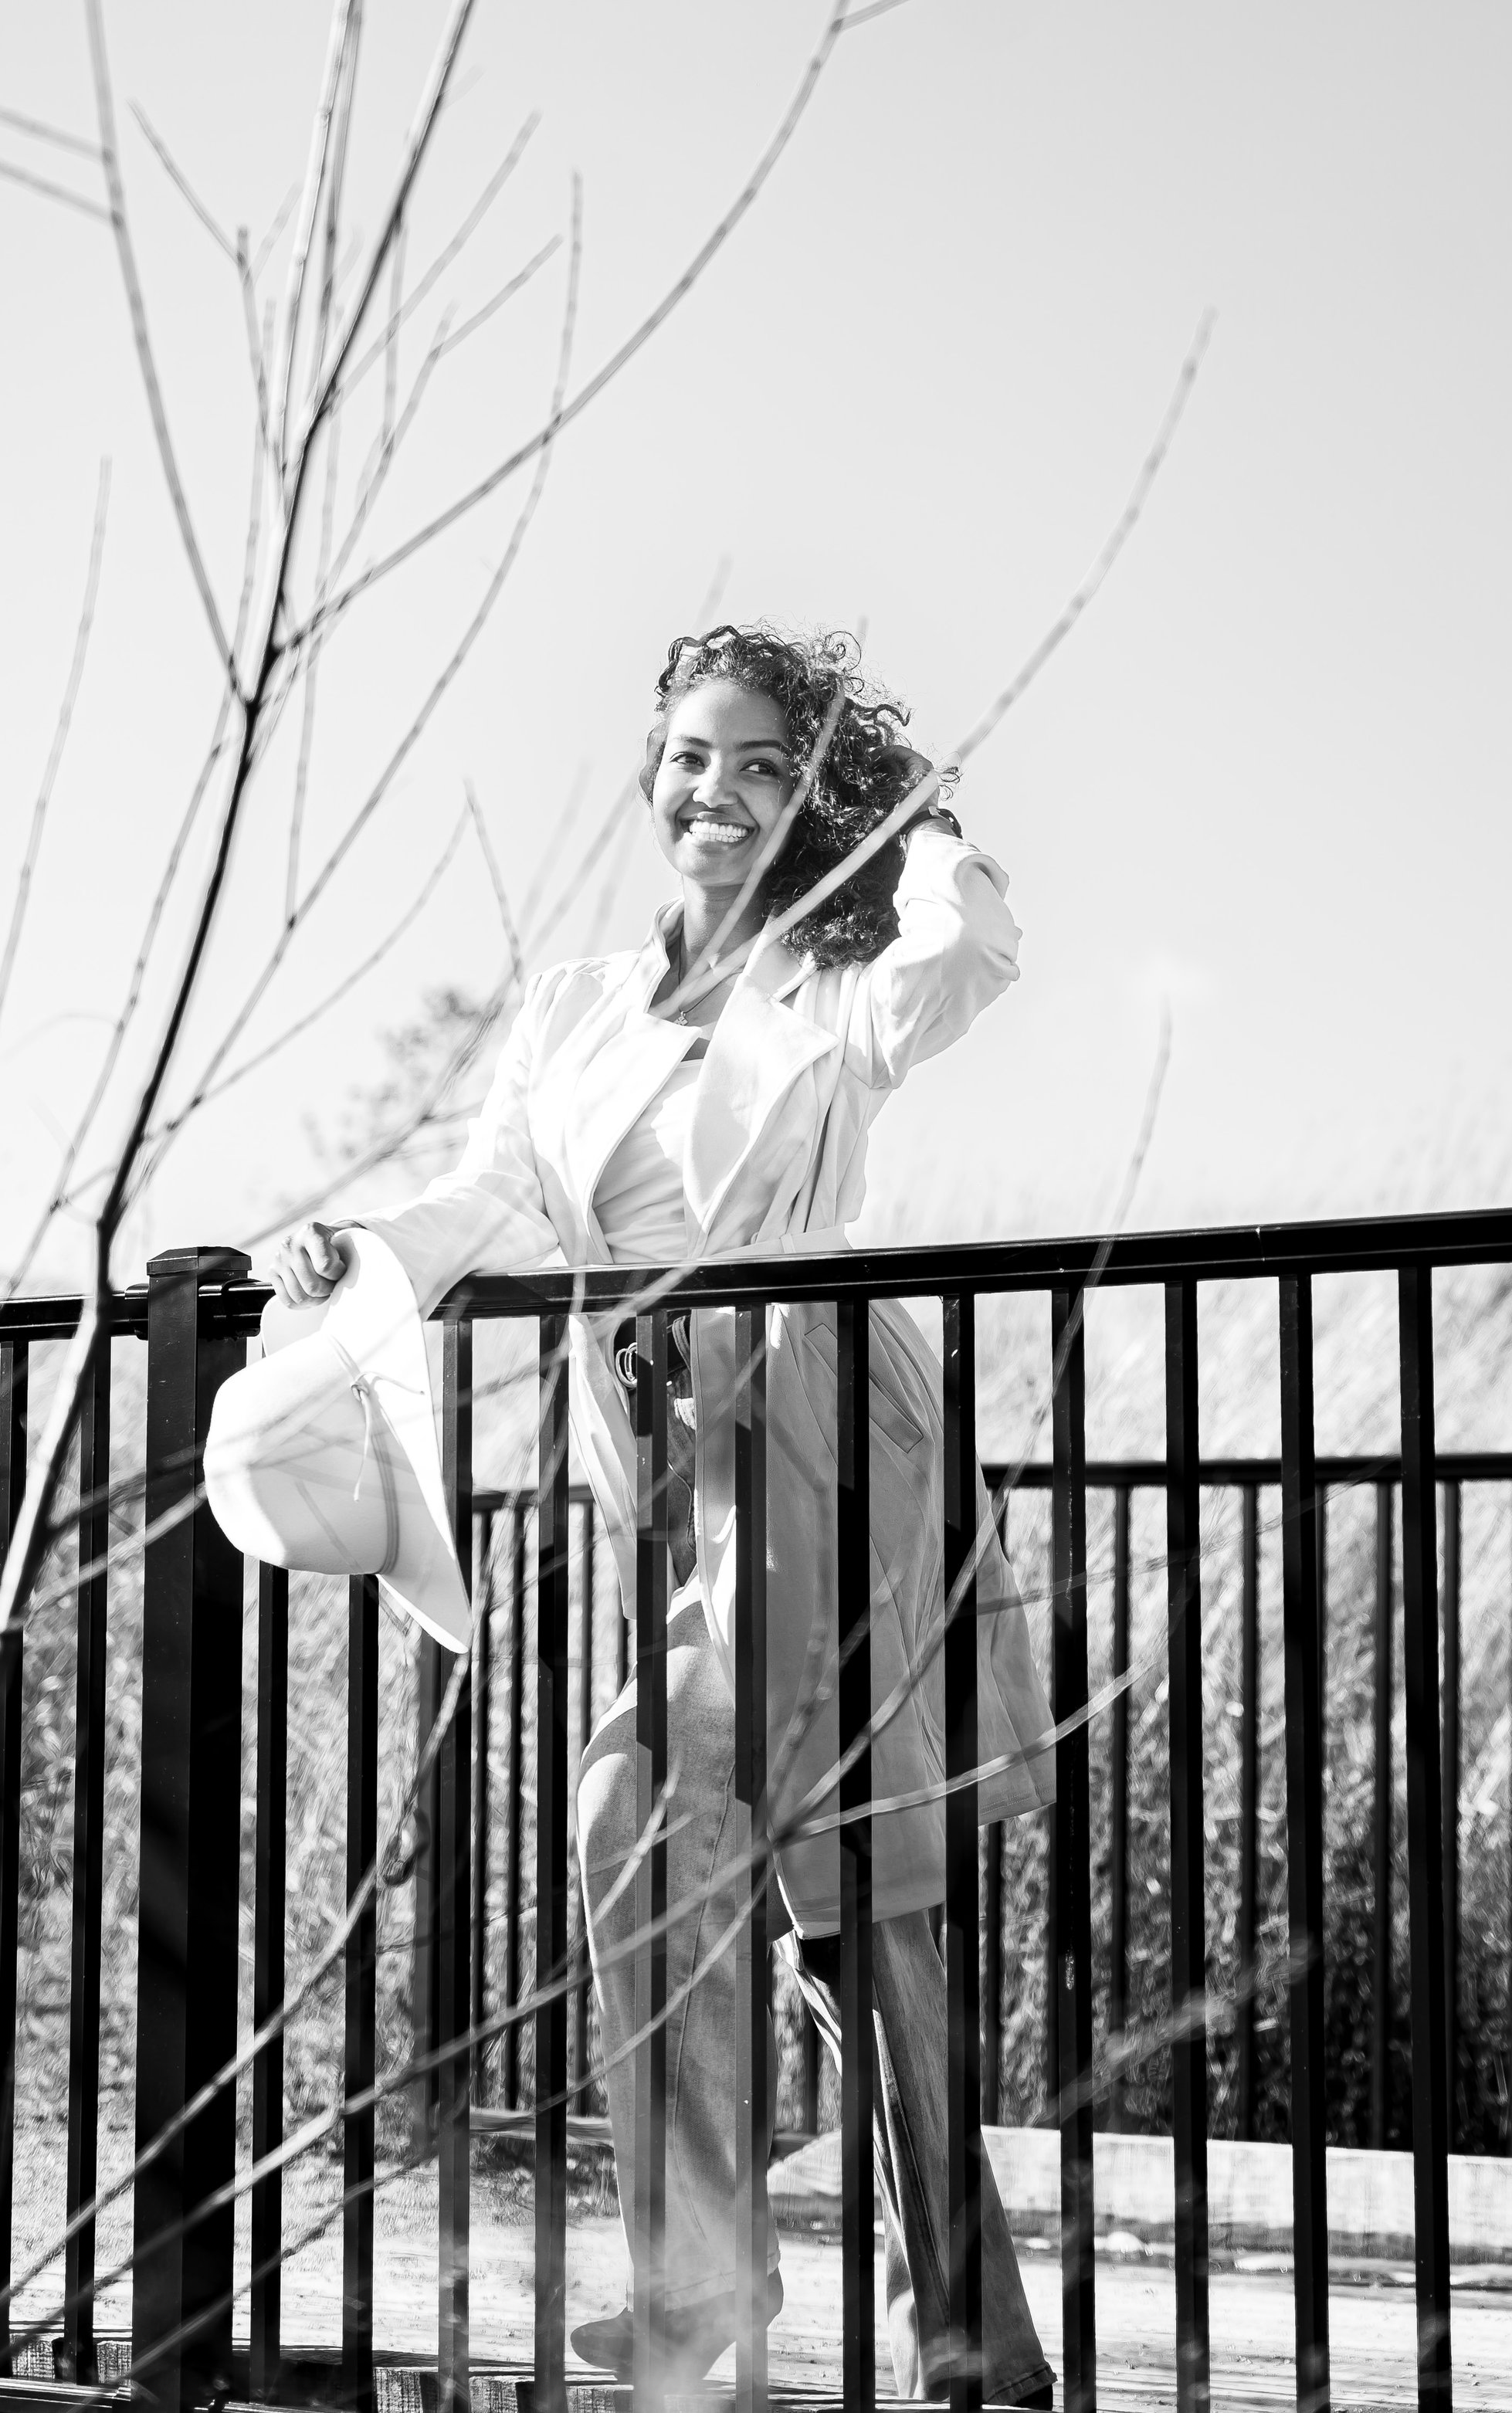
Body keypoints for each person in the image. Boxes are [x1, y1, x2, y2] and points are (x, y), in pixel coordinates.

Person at [270, 624, 1057, 2405]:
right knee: (858, 1892)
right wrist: (360, 1246)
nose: (717, 789)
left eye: (766, 763)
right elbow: (486, 1197)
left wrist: (904, 814)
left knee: (648, 1805)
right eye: (693, 755)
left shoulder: (834, 980)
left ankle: (704, 2300)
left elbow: (976, 945)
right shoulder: (571, 1003)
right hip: (657, 1431)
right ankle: (975, 2337)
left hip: (813, 1415)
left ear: (814, 793)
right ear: (650, 770)